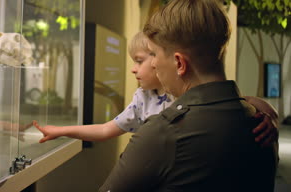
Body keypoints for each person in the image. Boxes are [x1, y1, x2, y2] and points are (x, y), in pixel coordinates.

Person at [99, 0, 278, 192]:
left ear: (179, 63)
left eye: (155, 54)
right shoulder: (262, 122)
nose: (154, 64)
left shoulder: (162, 133)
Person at [33, 32, 277, 146]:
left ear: (160, 58)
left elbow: (237, 101)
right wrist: (63, 130)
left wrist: (266, 115)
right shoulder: (142, 99)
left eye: (139, 60)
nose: (133, 69)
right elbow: (107, 129)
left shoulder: (188, 91)